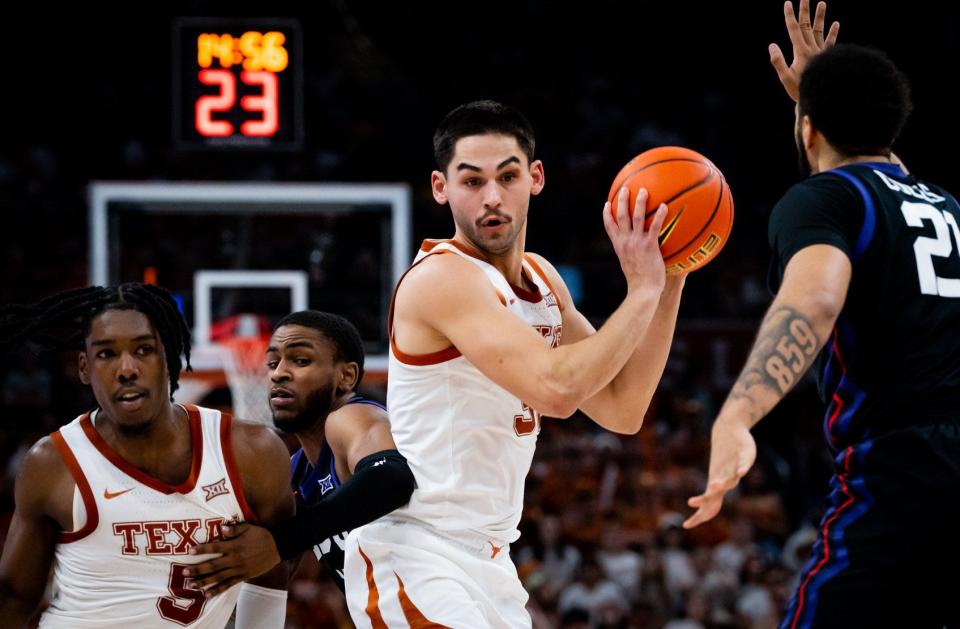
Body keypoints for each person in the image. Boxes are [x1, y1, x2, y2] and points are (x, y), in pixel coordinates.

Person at [342, 99, 685, 627]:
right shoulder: (443, 278)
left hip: (492, 562)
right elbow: (557, 391)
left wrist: (671, 277)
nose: (493, 198)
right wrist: (641, 291)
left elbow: (623, 407)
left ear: (535, 177)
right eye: (472, 181)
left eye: (507, 176)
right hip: (415, 551)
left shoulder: (543, 279)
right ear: (442, 188)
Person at [685, 1, 960, 627]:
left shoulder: (820, 199)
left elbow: (814, 299)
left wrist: (738, 414)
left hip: (900, 477)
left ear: (809, 130)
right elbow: (879, 174)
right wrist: (819, 101)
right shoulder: (946, 205)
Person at [0, 283, 294, 628]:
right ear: (84, 367)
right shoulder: (53, 463)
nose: (127, 369)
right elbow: (14, 595)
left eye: (143, 350)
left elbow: (273, 570)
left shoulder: (252, 452)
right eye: (106, 354)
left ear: (168, 356)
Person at [182, 310, 416, 595]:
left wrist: (280, 542)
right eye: (271, 362)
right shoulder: (297, 470)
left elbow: (391, 477)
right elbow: (273, 571)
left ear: (346, 375)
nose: (279, 373)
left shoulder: (351, 417)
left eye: (301, 360)